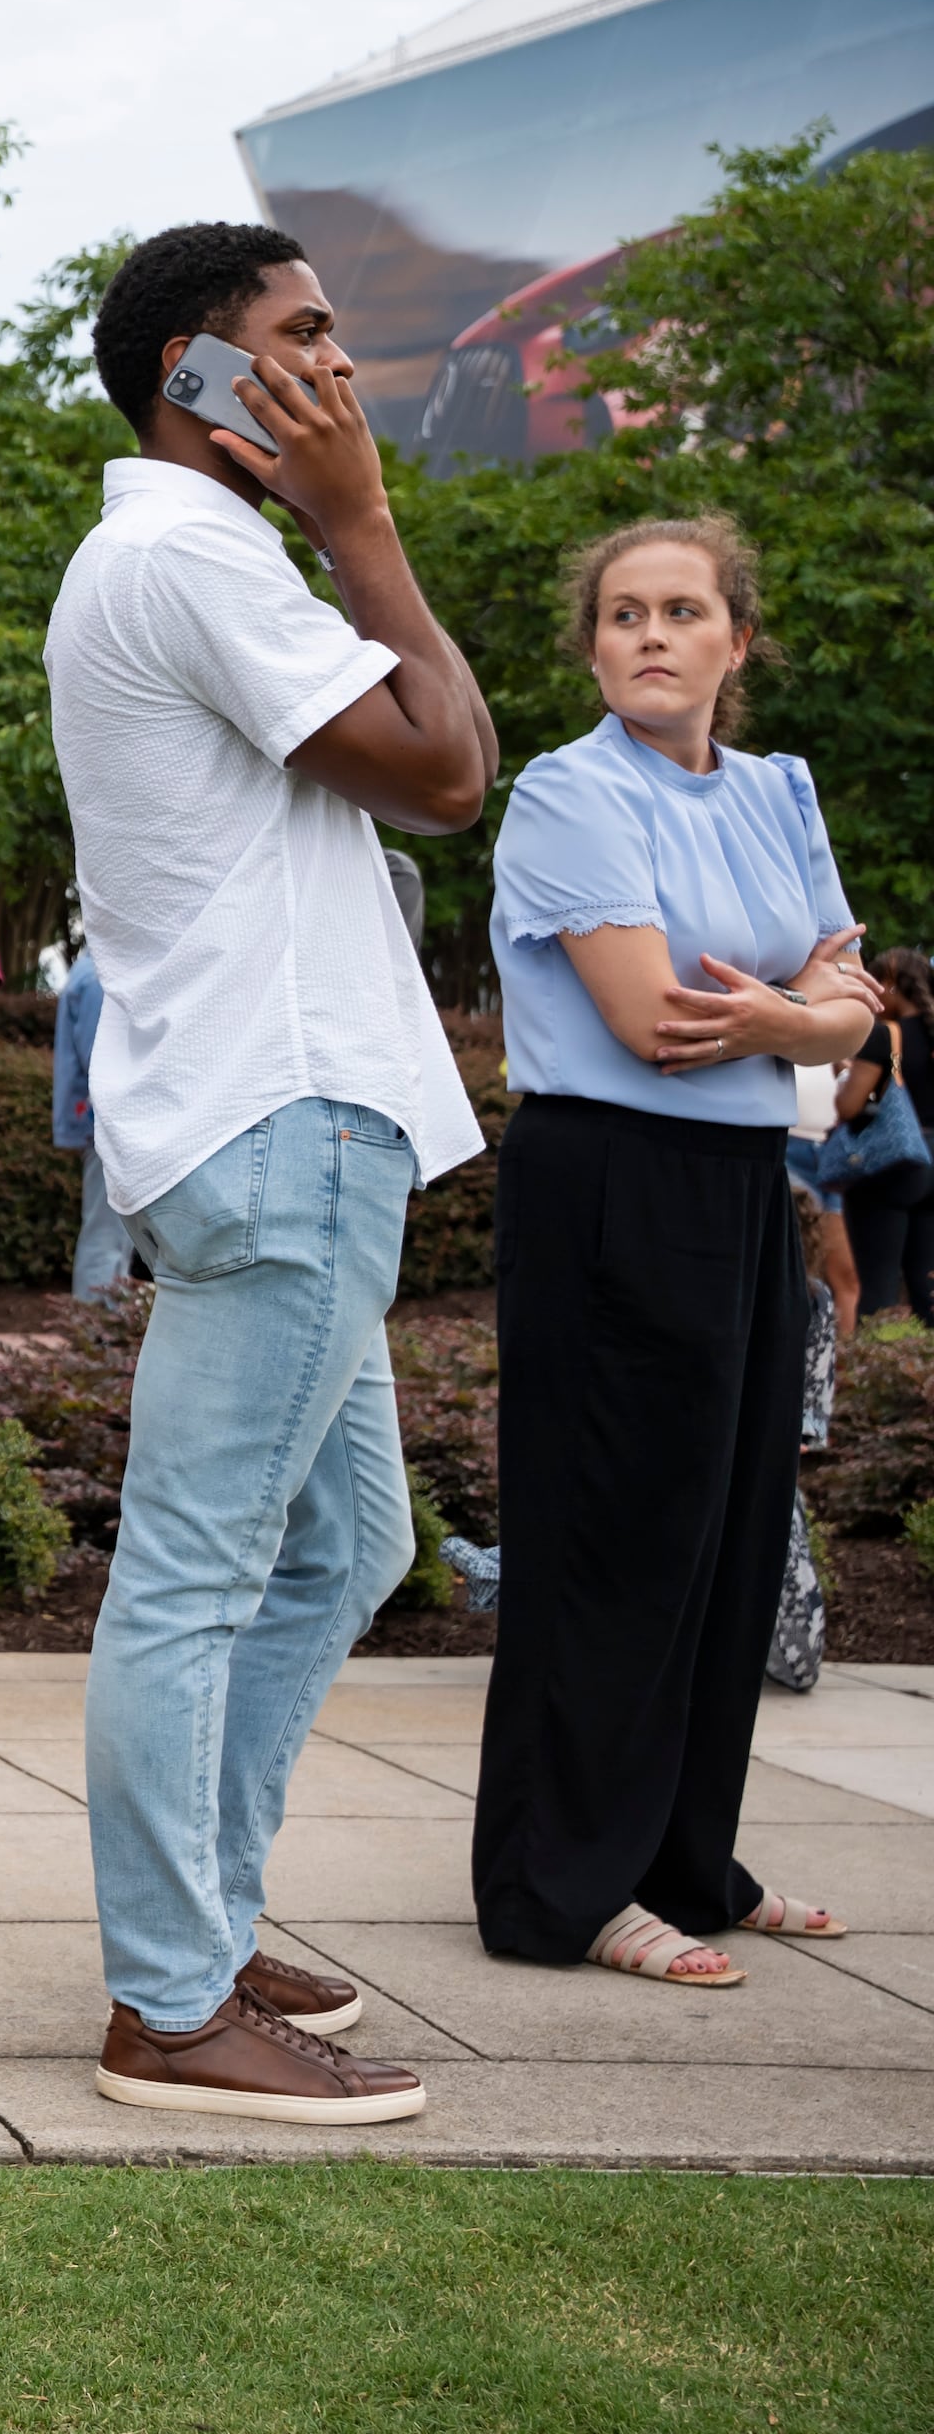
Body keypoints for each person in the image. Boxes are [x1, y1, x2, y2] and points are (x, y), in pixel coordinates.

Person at [51, 222, 496, 2126]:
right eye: (301, 339)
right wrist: (362, 523)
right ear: (198, 378)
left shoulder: (174, 553)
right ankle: (171, 2002)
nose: (338, 374)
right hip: (282, 1117)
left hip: (279, 1115)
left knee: (348, 1545)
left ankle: (207, 1925)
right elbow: (446, 764)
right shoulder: (197, 548)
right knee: (199, 1573)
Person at [475, 514, 872, 1986]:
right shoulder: (570, 796)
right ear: (594, 646)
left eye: (683, 610)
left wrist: (789, 1017)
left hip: (744, 1183)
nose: (651, 633)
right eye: (624, 613)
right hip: (608, 1181)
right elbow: (659, 1023)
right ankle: (560, 1885)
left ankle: (687, 1859)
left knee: (726, 1533)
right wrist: (803, 1020)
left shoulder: (780, 788)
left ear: (734, 642)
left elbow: (858, 1010)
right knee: (613, 1539)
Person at [828, 952, 934, 1319]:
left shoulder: (885, 1035)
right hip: (930, 1164)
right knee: (927, 1284)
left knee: (877, 1283)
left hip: (894, 1164)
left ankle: (876, 1367)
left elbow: (849, 1106)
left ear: (889, 982)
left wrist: (843, 1072)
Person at [52, 940, 132, 1298]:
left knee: (112, 1232)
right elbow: (101, 1058)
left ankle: (102, 1329)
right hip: (110, 1123)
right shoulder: (99, 977)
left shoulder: (89, 971)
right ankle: (96, 1334)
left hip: (102, 1121)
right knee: (107, 1234)